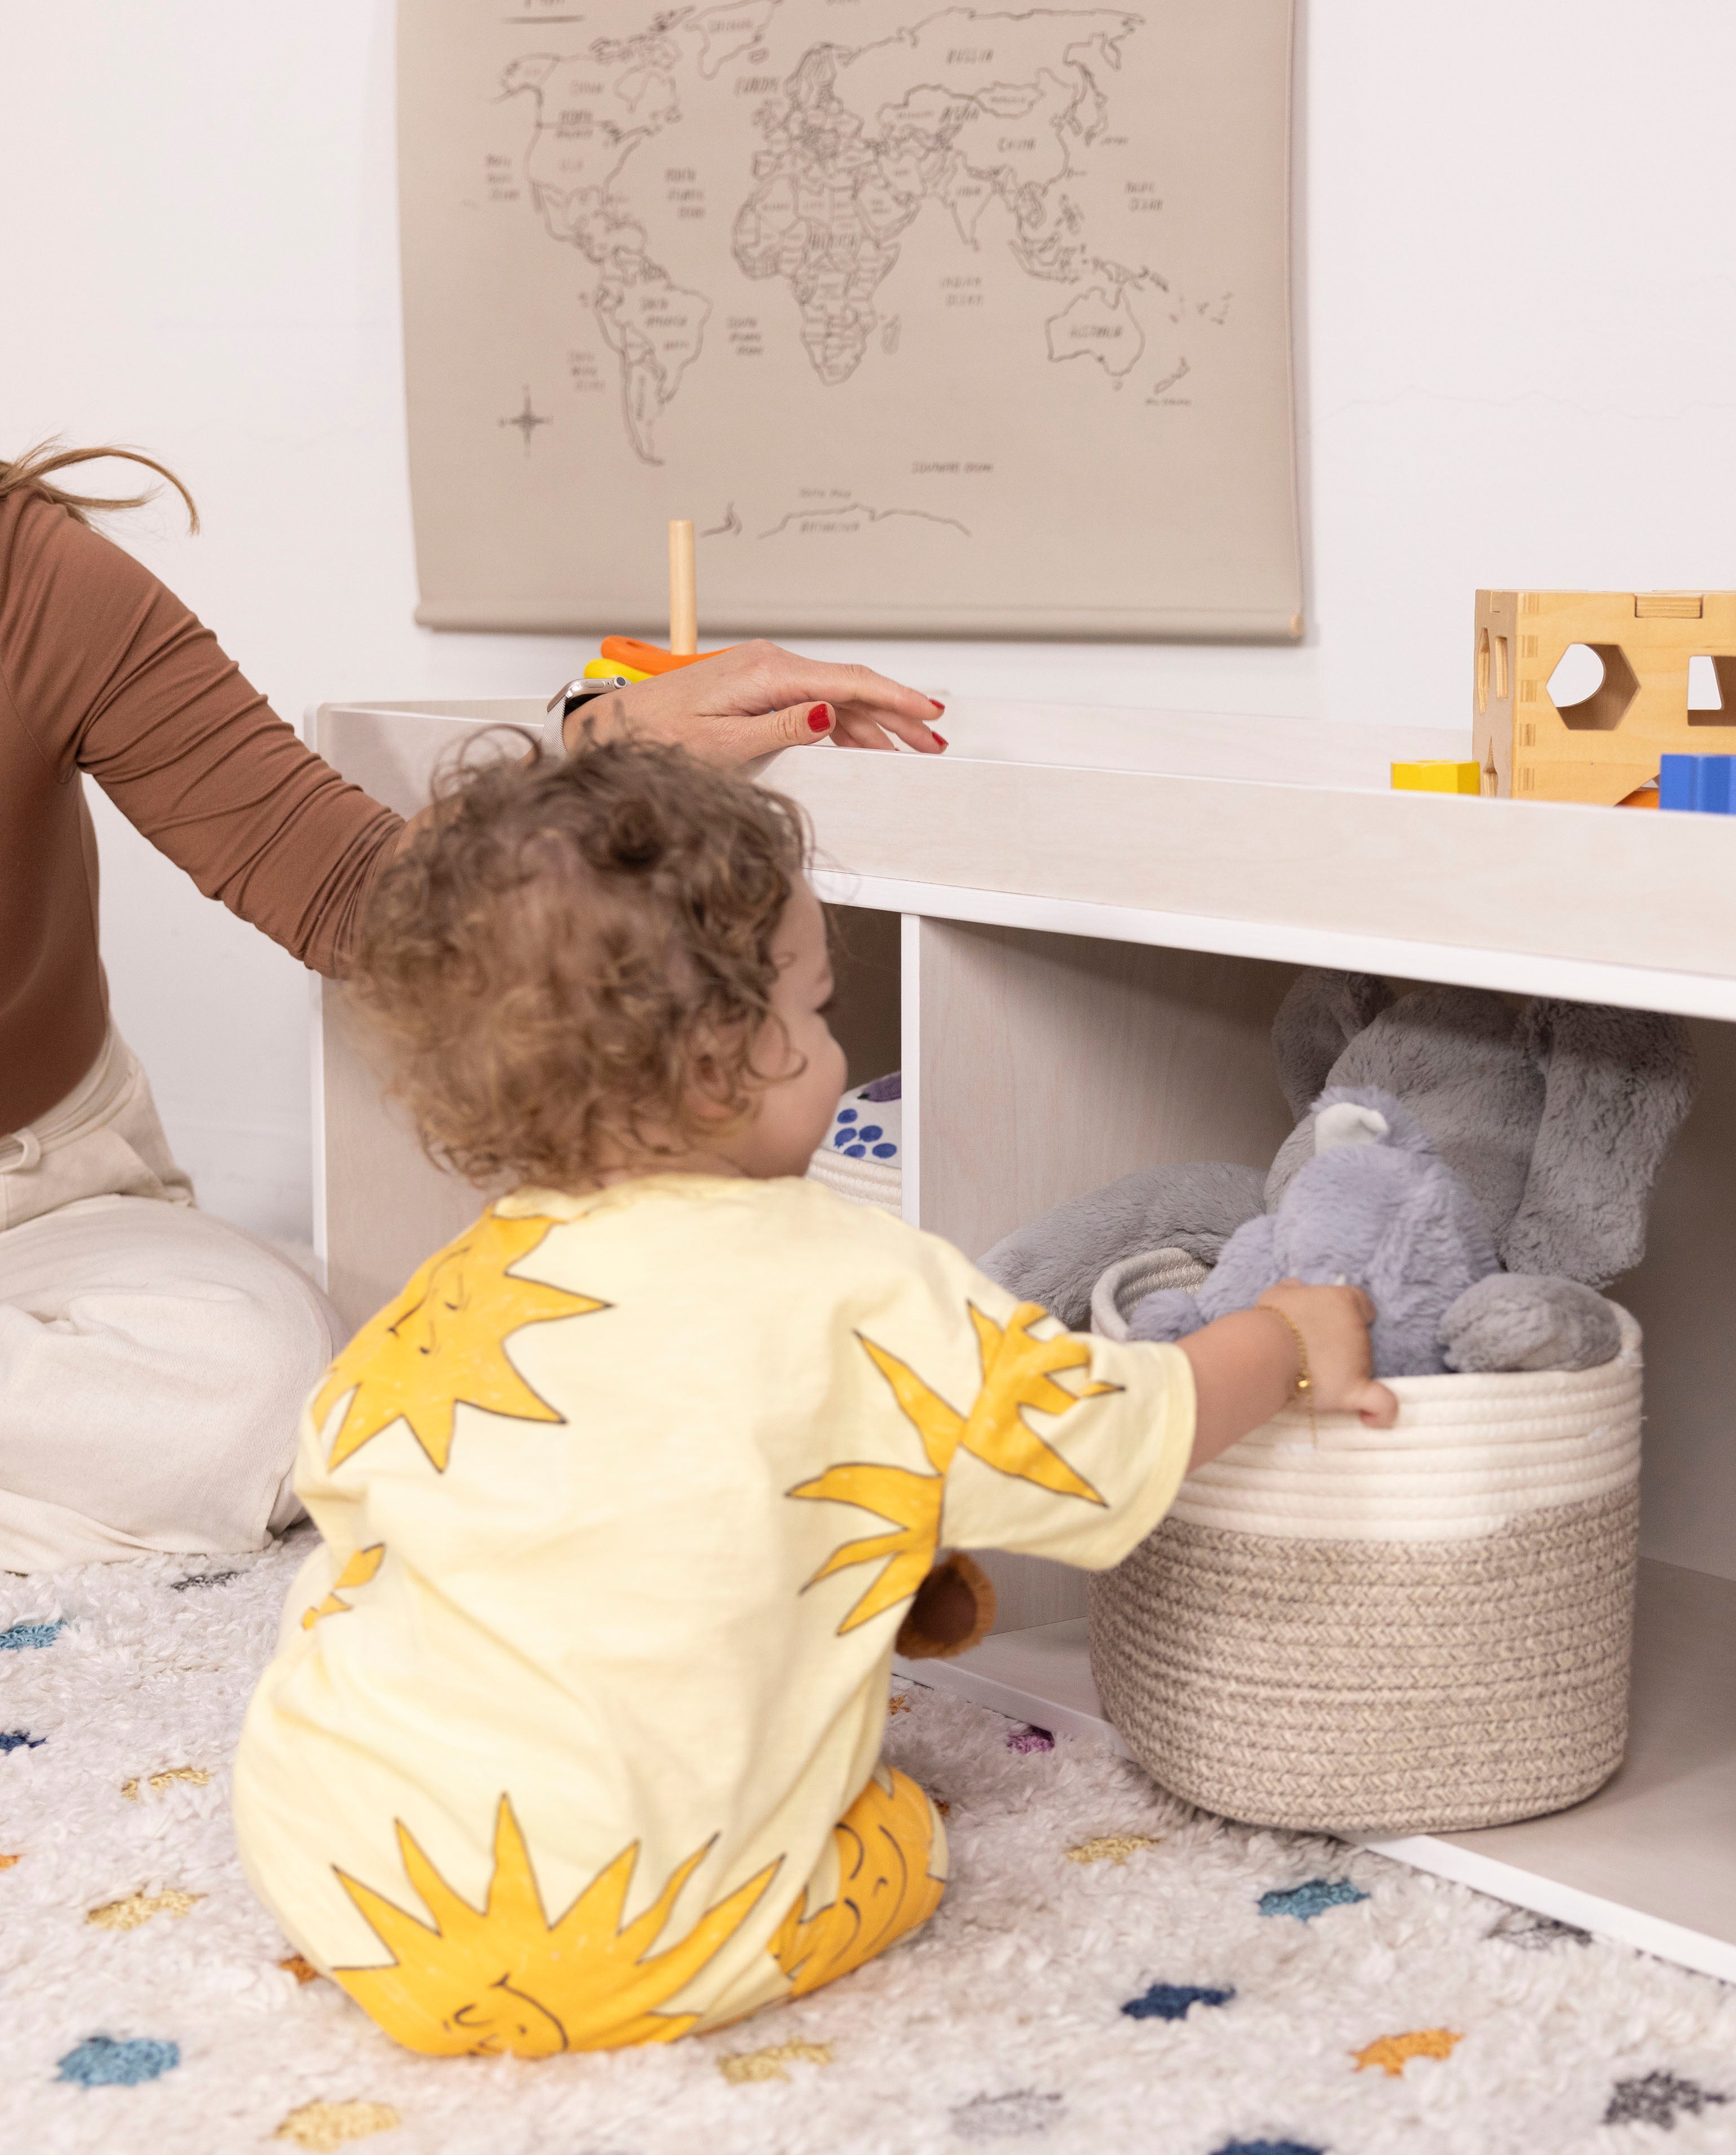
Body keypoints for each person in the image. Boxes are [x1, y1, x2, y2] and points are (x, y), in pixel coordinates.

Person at [231, 738, 1394, 2053]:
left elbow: (362, 1489)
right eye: (822, 1007)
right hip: (638, 1944)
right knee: (904, 1824)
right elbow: (1109, 1439)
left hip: (343, 1868)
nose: (836, 1045)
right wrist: (1286, 1332)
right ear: (732, 1053)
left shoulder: (457, 1289)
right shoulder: (862, 1285)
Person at [0, 439, 945, 1570]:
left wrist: (608, 746)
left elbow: (359, 897)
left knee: (253, 1389)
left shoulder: (39, 578)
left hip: (46, 1199)